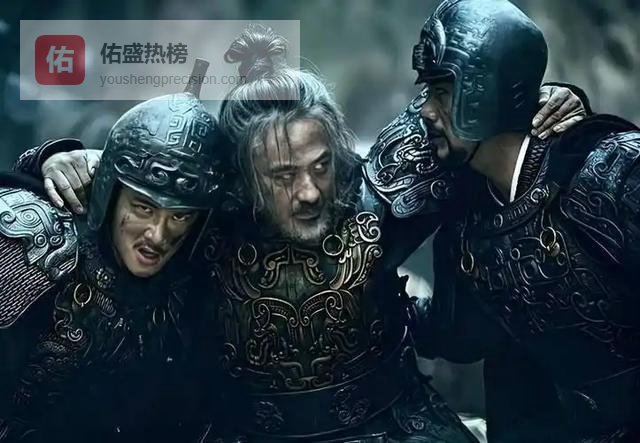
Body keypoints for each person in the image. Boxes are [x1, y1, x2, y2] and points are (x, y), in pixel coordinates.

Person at [20, 26, 588, 442]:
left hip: (398, 424)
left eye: (320, 166)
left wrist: (545, 103)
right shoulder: (203, 229)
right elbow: (133, 187)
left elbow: (470, 120)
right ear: (245, 181)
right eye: (283, 176)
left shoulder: (382, 190)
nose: (311, 192)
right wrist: (52, 160)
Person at [371, 0, 639, 441]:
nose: (425, 111)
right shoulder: (468, 228)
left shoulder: (611, 172)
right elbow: (459, 336)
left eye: (442, 92)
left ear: (486, 94)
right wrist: (371, 301)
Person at [0, 64, 226, 442]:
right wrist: (48, 159)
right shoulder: (39, 242)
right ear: (110, 190)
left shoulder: (194, 279)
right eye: (143, 208)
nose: (158, 235)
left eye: (180, 216)